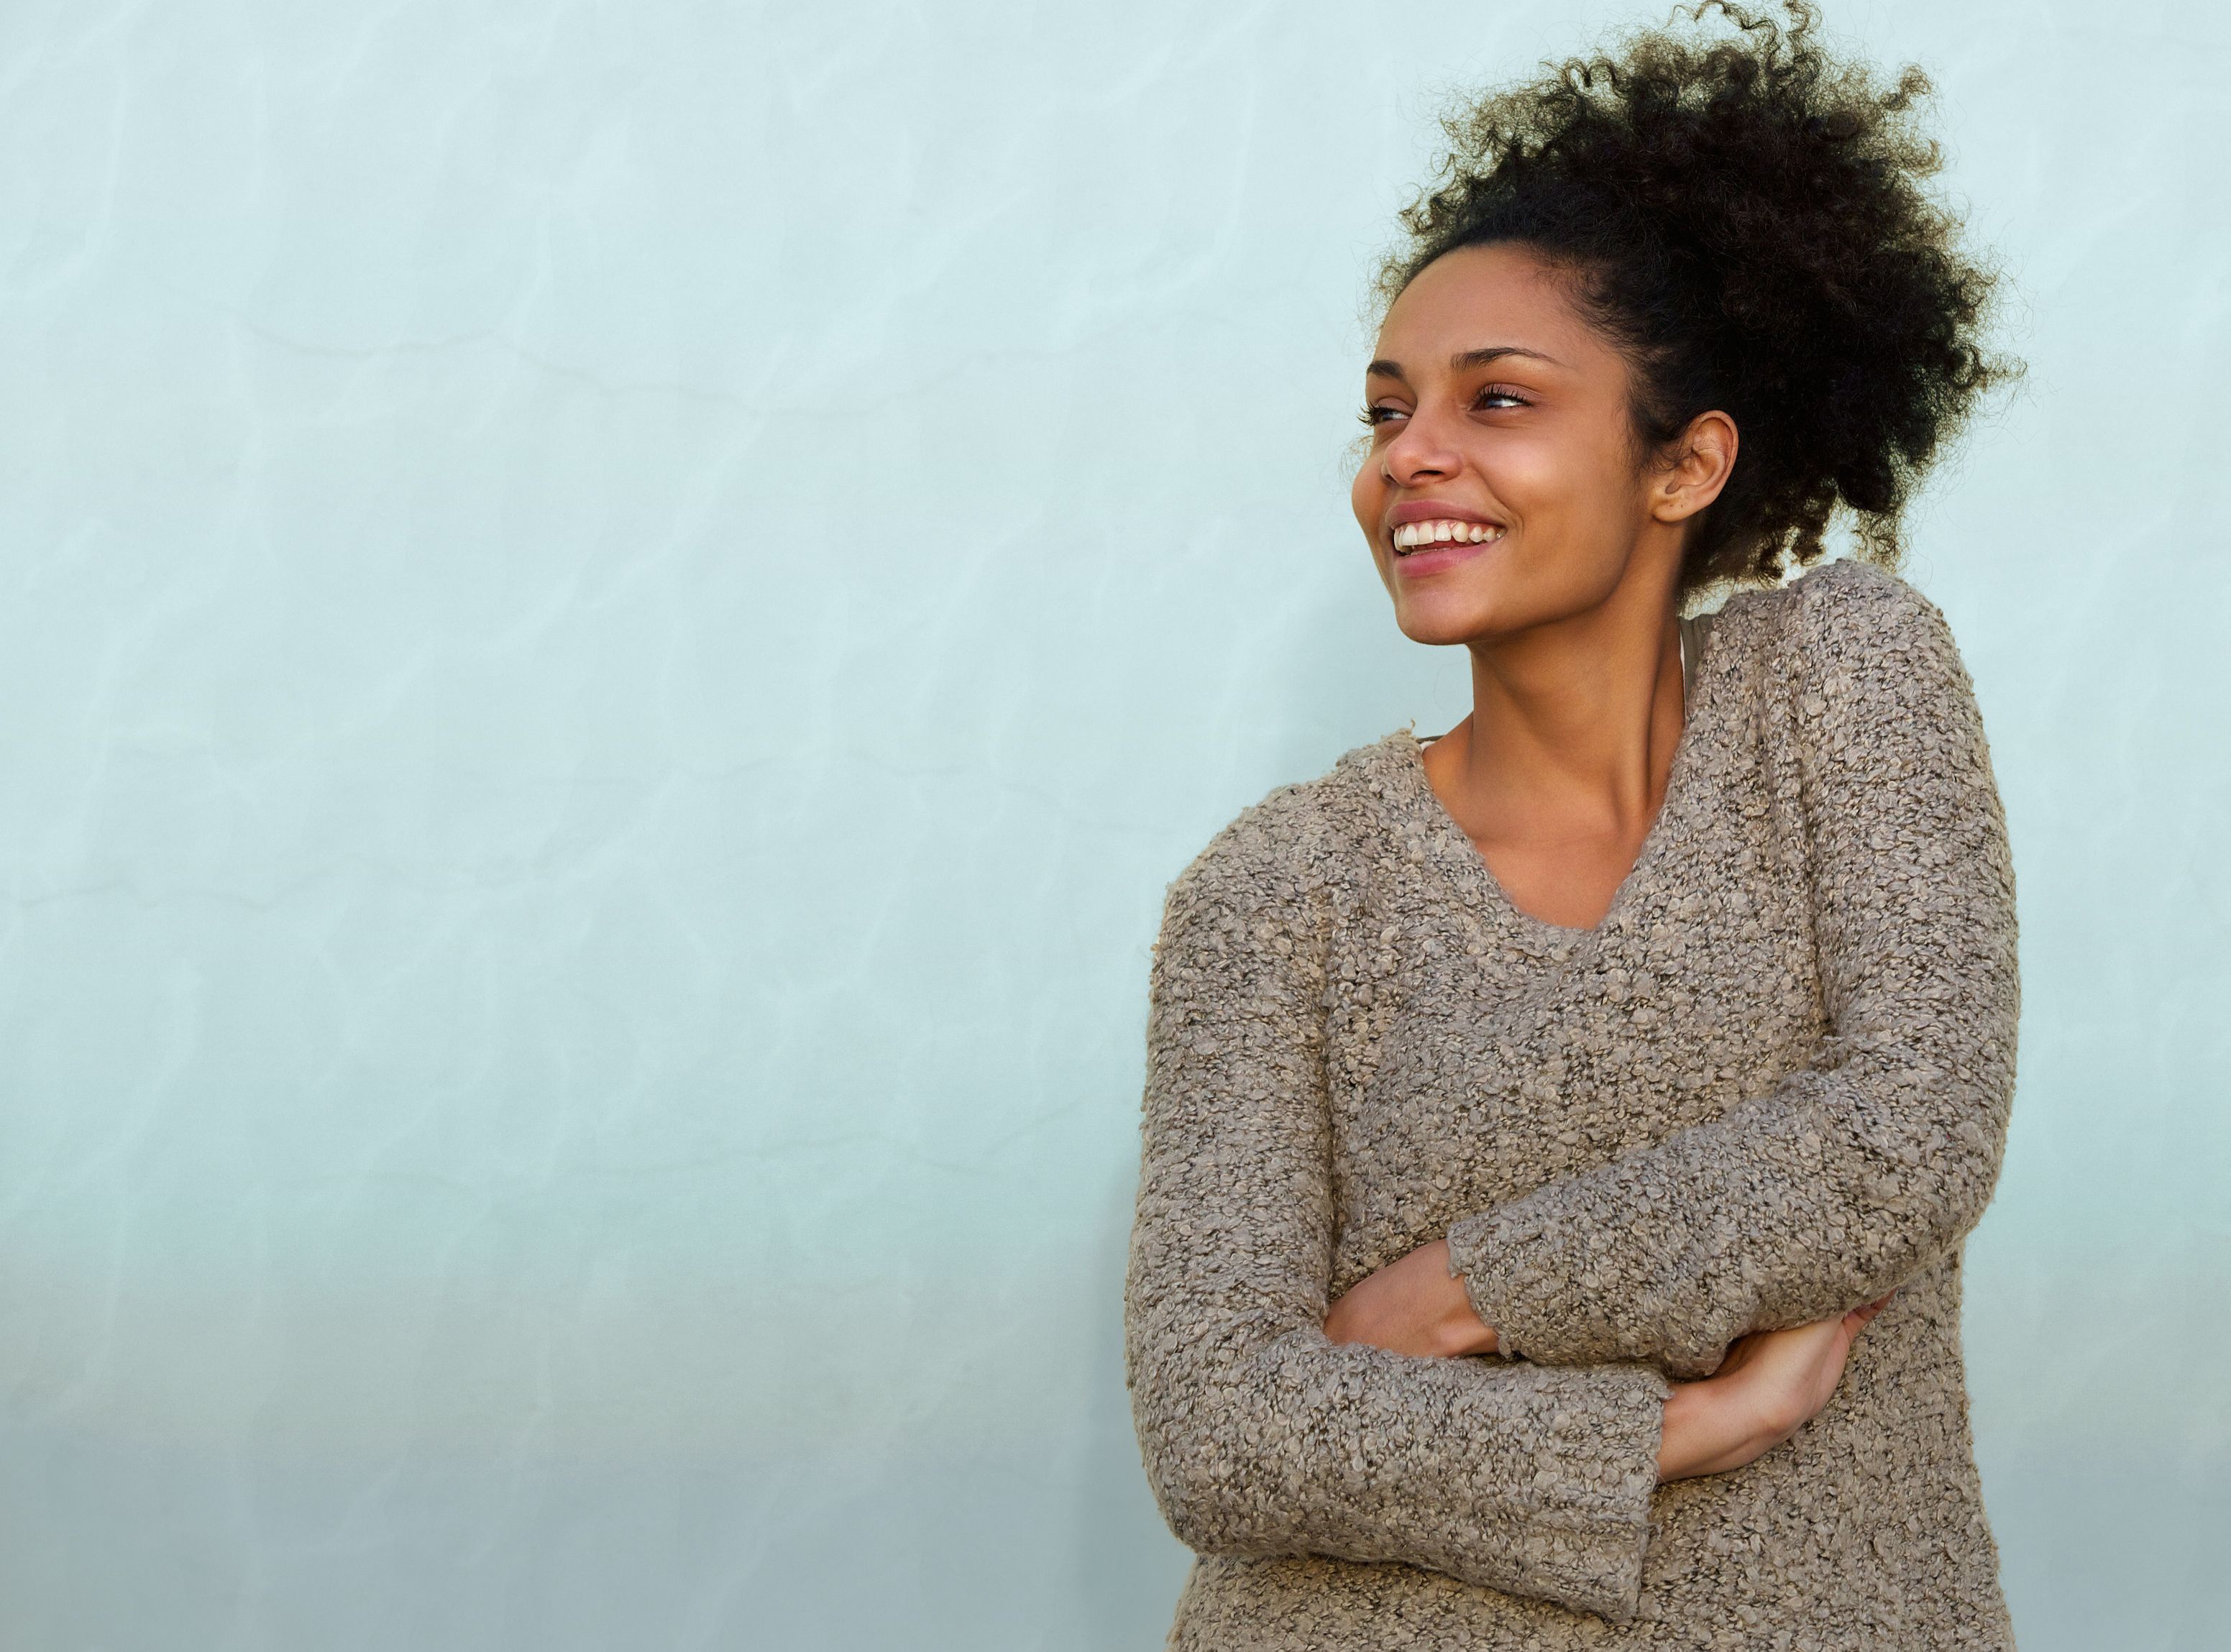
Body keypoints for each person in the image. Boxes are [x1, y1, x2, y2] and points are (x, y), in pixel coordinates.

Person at [1121, 3, 2022, 1645]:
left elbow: (1907, 1130)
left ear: (1682, 467)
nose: (1413, 457)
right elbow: (1214, 1432)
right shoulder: (1270, 892)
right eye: (1388, 409)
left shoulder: (1841, 679)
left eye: (1500, 402)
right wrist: (1676, 1430)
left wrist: (1452, 1298)